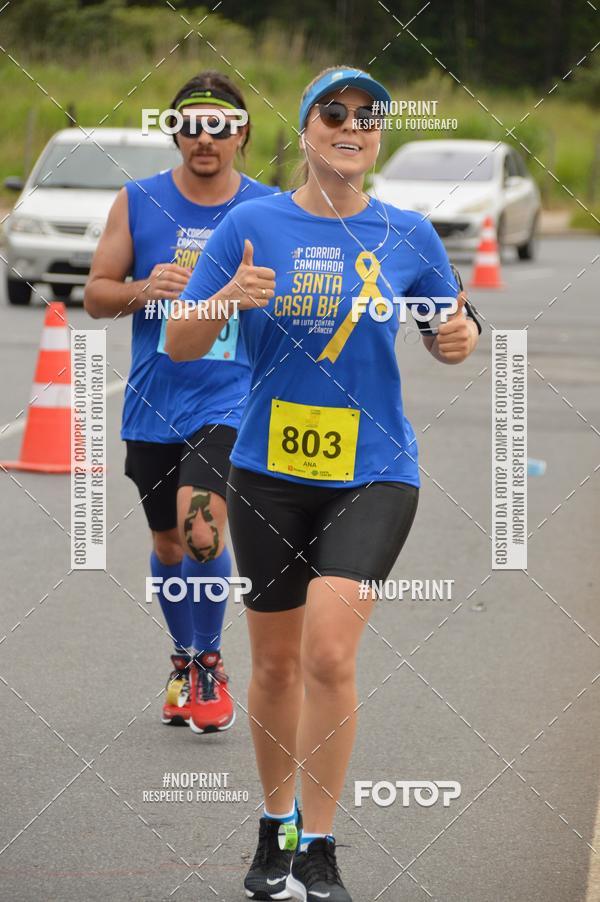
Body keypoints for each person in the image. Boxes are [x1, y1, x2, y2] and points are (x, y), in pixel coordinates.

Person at [166, 66, 480, 902]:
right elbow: (181, 345)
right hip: (268, 473)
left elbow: (452, 323)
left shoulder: (407, 233)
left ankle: (321, 847)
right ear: (304, 129)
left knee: (330, 653)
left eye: (368, 116)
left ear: (380, 135)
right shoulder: (251, 222)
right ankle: (275, 830)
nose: (353, 124)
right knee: (272, 668)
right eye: (333, 112)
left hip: (375, 473)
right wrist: (227, 295)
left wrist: (458, 338)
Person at [84, 71, 277, 734]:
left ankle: (209, 662)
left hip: (232, 398)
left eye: (221, 126)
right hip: (154, 402)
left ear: (241, 133)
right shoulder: (137, 203)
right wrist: (144, 287)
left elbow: (305, 298)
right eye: (192, 124)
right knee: (168, 543)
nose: (206, 138)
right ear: (174, 131)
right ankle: (185, 657)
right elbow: (95, 294)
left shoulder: (269, 208)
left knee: (201, 528)